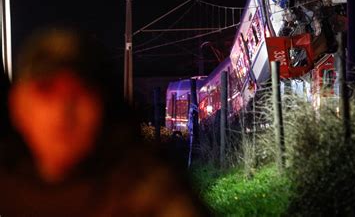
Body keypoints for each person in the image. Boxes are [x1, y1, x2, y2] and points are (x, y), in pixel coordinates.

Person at [0, 28, 209, 216]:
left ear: (104, 107)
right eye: (46, 92)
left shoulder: (146, 191)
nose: (63, 112)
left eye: (79, 94)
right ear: (19, 105)